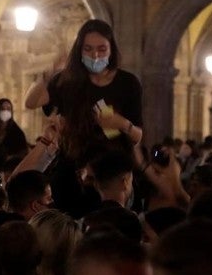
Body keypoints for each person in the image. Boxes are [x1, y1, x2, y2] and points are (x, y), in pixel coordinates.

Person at [23, 19, 143, 218]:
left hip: (111, 175)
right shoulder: (67, 81)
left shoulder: (128, 83)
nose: (95, 55)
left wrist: (121, 123)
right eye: (88, 49)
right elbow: (31, 102)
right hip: (71, 172)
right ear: (79, 51)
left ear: (111, 49)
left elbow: (137, 136)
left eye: (101, 49)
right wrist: (48, 73)